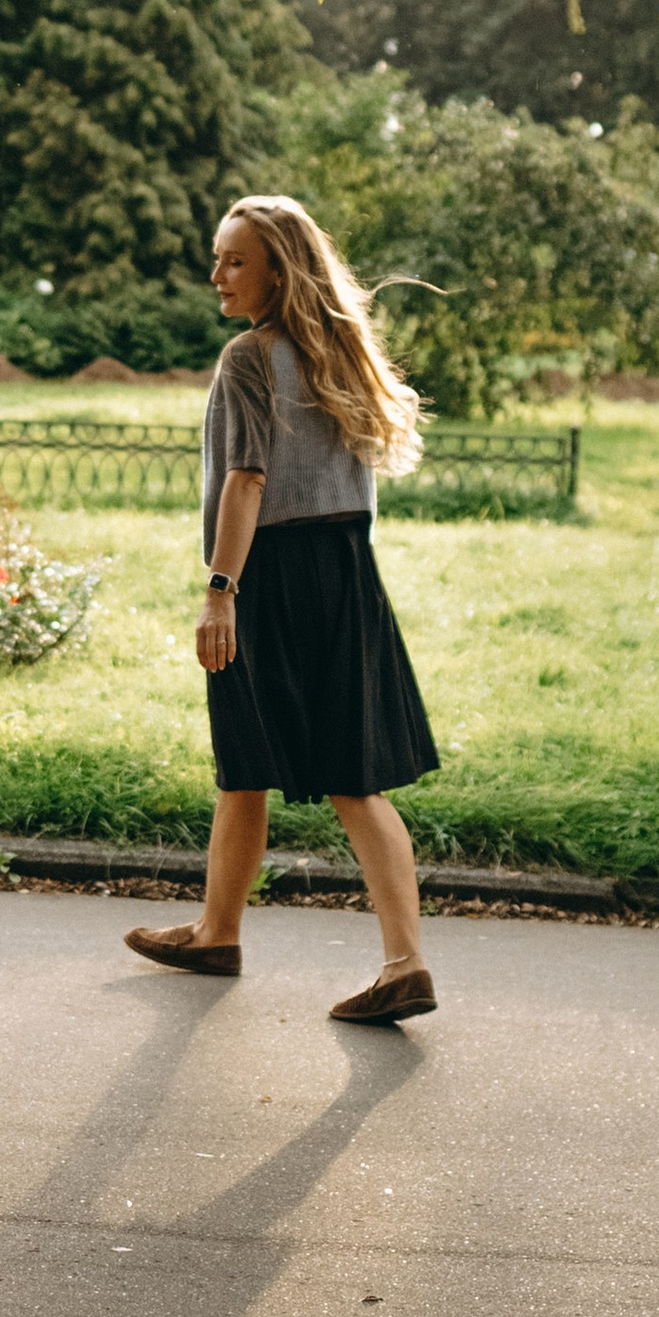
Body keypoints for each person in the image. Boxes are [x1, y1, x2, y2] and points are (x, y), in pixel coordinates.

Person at [124, 194, 441, 1024]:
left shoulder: (249, 356)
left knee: (306, 767)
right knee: (290, 763)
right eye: (219, 256)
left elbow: (247, 479)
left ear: (276, 269)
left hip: (272, 573)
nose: (218, 274)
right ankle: (221, 932)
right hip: (345, 570)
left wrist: (220, 590)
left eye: (236, 259)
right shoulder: (338, 352)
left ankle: (391, 960)